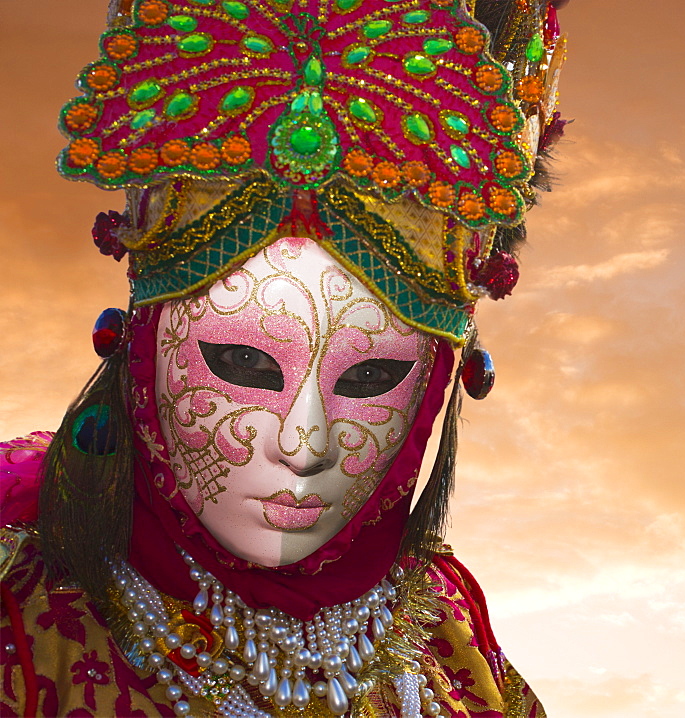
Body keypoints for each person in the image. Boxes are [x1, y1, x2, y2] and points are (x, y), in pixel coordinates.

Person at [0, 0, 568, 715]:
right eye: (243, 362)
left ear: (438, 389)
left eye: (371, 376)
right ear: (144, 348)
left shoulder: (445, 632)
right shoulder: (19, 609)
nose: (306, 443)